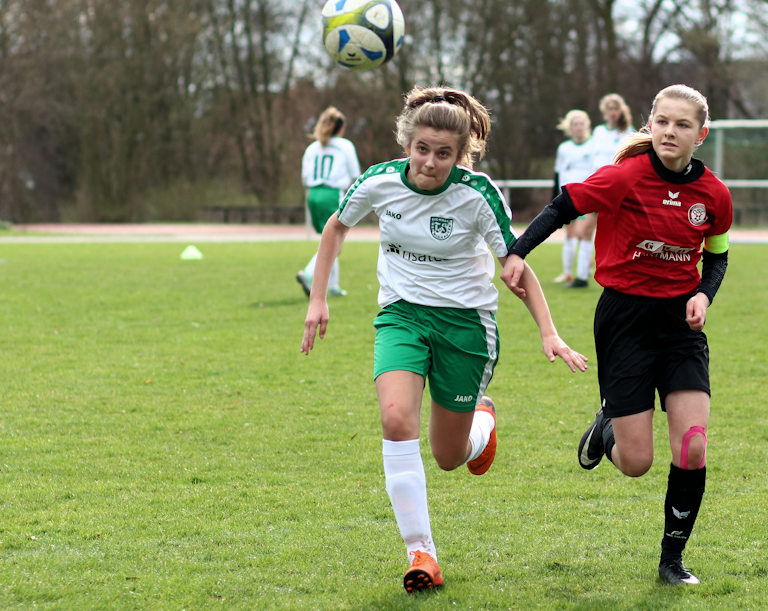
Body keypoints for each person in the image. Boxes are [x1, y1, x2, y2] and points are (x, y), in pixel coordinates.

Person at [301, 86, 588, 593]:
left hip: (465, 326)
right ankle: (421, 553)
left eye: (444, 153)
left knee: (449, 457)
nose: (430, 162)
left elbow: (516, 269)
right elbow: (335, 227)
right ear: (407, 143)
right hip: (401, 317)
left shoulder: (477, 195)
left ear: (461, 155)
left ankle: (482, 421)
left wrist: (550, 332)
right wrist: (317, 299)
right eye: (422, 149)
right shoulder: (380, 181)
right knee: (395, 419)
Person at [502, 84, 732, 587]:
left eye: (682, 124)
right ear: (649, 125)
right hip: (624, 321)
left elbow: (717, 255)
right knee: (635, 463)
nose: (670, 131)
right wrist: (518, 252)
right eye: (662, 121)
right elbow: (564, 206)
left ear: (702, 134)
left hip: (680, 326)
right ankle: (607, 421)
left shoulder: (714, 195)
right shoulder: (626, 176)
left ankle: (672, 561)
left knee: (693, 445)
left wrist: (704, 296)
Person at [297, 106, 362, 297]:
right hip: (332, 195)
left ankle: (333, 287)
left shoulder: (312, 147)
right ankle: (308, 273)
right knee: (334, 241)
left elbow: (304, 176)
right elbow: (355, 174)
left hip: (313, 195)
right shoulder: (345, 145)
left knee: (331, 238)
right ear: (341, 128)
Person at [551, 109, 598, 287]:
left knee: (584, 233)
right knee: (570, 234)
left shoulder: (595, 146)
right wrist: (556, 197)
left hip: (588, 196)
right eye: (575, 124)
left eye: (581, 123)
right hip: (567, 197)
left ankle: (583, 274)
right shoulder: (564, 148)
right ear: (570, 127)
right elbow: (558, 174)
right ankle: (568, 273)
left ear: (587, 125)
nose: (578, 127)